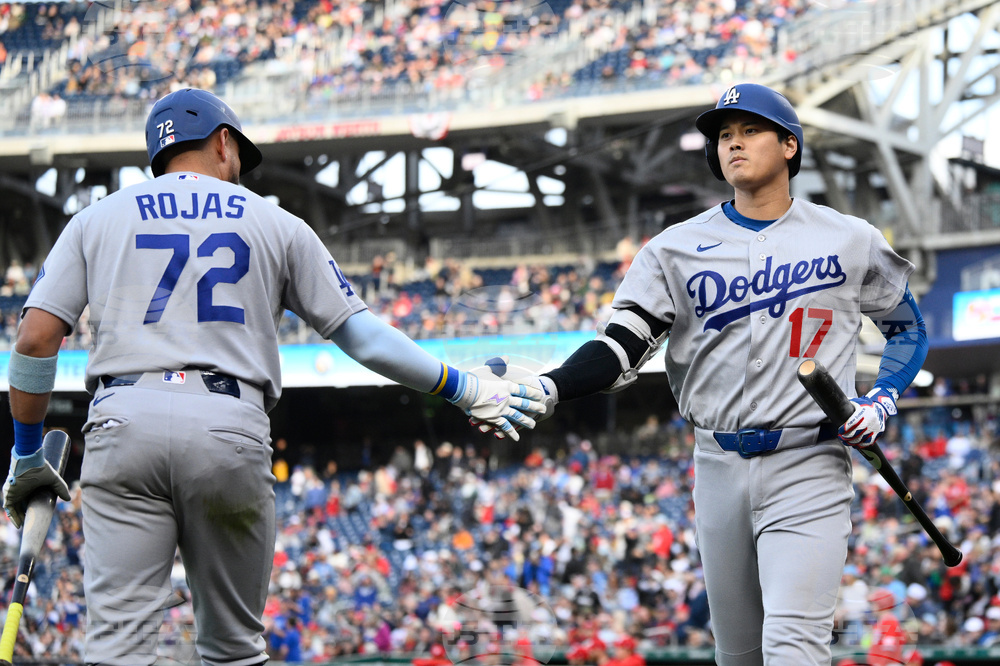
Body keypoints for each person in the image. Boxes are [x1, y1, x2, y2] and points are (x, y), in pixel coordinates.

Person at [1, 88, 546, 666]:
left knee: (117, 650)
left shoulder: (95, 219)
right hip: (228, 426)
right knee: (234, 650)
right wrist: (460, 387)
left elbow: (35, 340)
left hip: (121, 421)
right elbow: (361, 337)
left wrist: (28, 454)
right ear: (223, 142)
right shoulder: (276, 221)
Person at [476, 83, 927, 665]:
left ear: (790, 145)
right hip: (716, 464)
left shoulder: (849, 237)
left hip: (808, 460)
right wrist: (550, 385)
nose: (732, 143)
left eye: (749, 131)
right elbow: (620, 349)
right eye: (723, 136)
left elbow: (907, 328)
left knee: (794, 646)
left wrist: (883, 399)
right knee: (737, 654)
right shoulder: (673, 249)